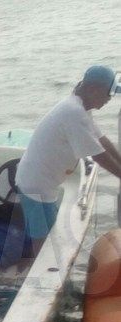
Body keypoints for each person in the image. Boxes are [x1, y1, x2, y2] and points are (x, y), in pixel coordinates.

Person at [15, 65, 121, 250]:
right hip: (36, 185)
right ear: (93, 89)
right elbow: (98, 156)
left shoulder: (80, 108)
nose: (109, 100)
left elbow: (102, 140)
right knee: (41, 241)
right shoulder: (73, 112)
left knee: (49, 235)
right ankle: (34, 271)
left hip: (46, 183)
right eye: (109, 94)